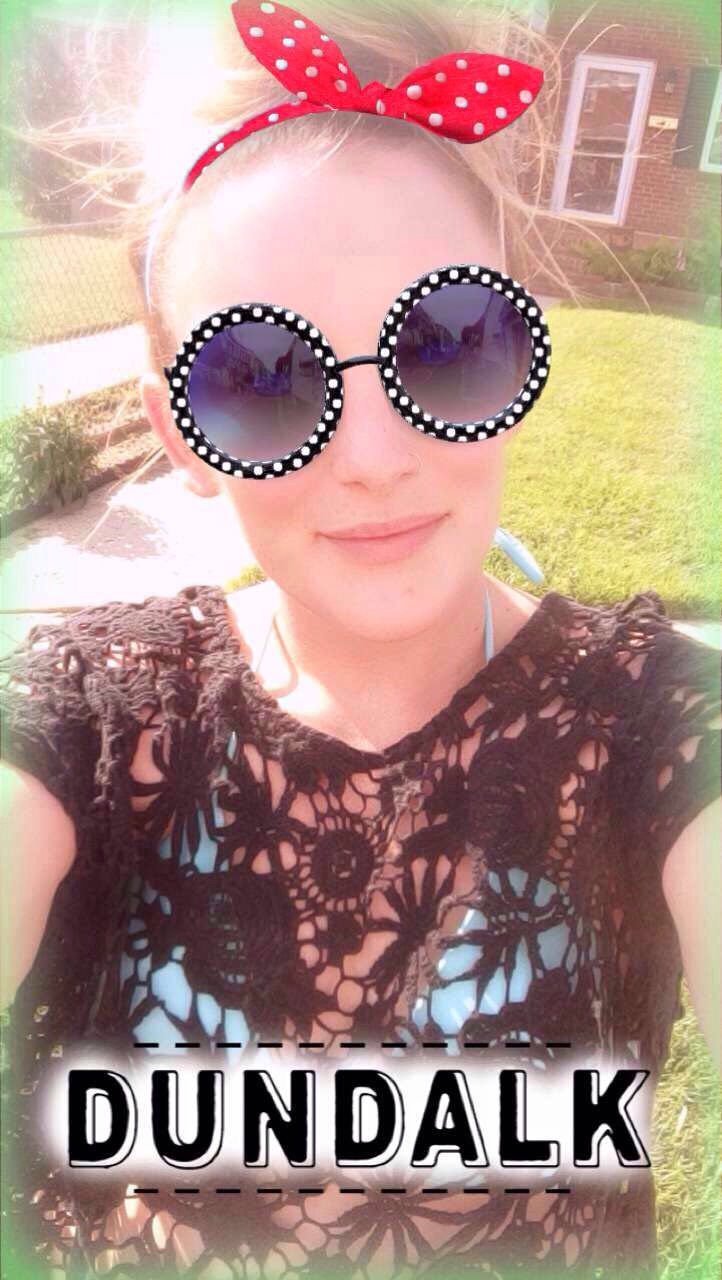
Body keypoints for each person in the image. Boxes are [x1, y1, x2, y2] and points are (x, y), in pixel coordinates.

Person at [1, 2, 720, 1277]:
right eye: (259, 377)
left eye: (447, 347)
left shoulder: (652, 717)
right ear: (176, 428)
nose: (375, 456)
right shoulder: (91, 715)